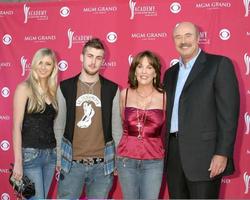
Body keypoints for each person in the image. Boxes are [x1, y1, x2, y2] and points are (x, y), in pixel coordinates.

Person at [163, 21, 240, 199]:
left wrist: (222, 153)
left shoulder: (219, 64)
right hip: (173, 153)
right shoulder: (170, 73)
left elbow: (228, 115)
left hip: (204, 156)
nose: (183, 41)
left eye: (188, 35)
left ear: (198, 38)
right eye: (178, 37)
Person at [54, 38, 122, 199]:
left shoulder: (112, 89)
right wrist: (59, 159)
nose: (93, 62)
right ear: (81, 57)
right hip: (71, 163)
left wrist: (117, 160)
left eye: (98, 58)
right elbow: (58, 126)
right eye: (90, 56)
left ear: (103, 61)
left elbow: (117, 128)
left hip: (102, 166)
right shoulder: (65, 87)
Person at [116, 50, 166, 199]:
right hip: (126, 160)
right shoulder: (124, 94)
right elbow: (120, 125)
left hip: (154, 161)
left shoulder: (165, 97)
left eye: (149, 67)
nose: (144, 71)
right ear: (134, 71)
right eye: (140, 66)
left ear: (155, 73)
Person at [12, 48, 58, 199]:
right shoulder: (24, 88)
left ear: (53, 67)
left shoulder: (53, 92)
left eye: (48, 64)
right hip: (31, 155)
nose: (43, 67)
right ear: (34, 64)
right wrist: (18, 162)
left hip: (51, 155)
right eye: (40, 62)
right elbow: (16, 127)